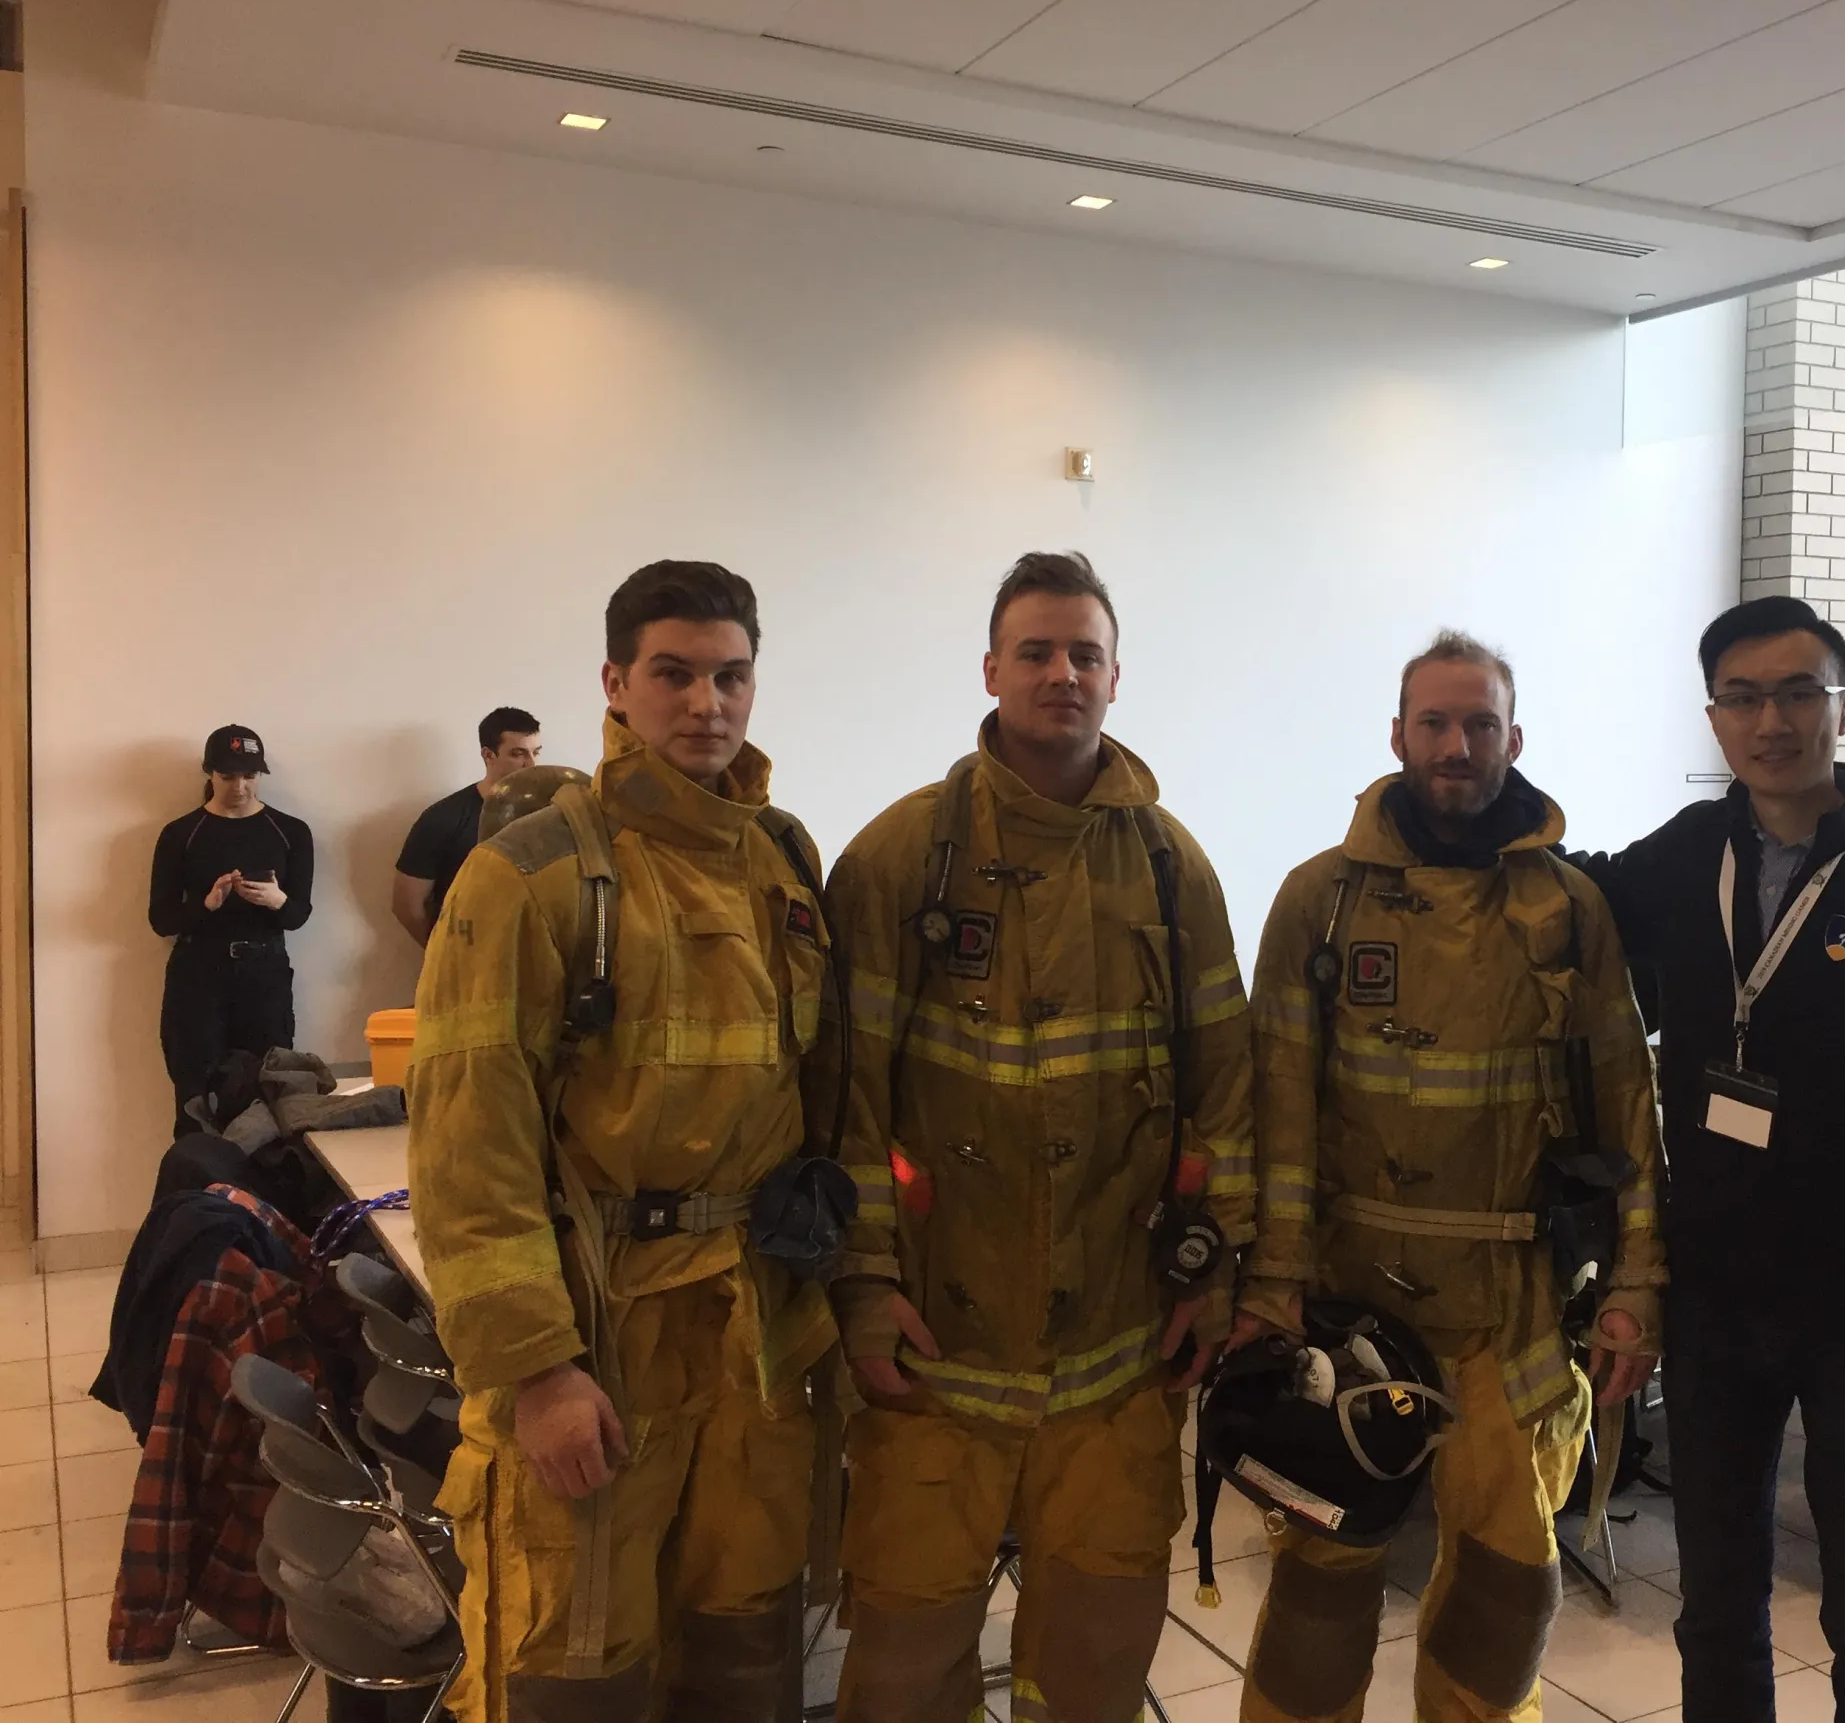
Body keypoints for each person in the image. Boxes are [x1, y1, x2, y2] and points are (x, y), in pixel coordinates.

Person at [825, 551, 1254, 1723]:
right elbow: (845, 1104)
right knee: (905, 1669)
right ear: (991, 670)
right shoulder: (901, 859)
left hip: (1118, 1358)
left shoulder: (1173, 870)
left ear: (1118, 678)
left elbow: (1226, 1093)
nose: (1061, 673)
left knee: (1100, 1667)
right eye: (1036, 651)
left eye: (1085, 654)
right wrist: (863, 1287)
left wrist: (1211, 1276)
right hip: (934, 1358)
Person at [409, 563, 838, 1722]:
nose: (706, 702)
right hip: (601, 1344)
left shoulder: (785, 861)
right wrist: (539, 1372)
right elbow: (466, 1145)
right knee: (576, 1669)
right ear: (615, 682)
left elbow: (821, 1101)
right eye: (674, 674)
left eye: (730, 675)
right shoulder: (530, 875)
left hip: (752, 1339)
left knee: (746, 1657)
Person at [1569, 595, 1845, 1723]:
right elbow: (1570, 891)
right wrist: (1471, 803)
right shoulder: (1689, 853)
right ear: (1714, 719)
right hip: (1718, 1294)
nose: (1772, 720)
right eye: (1744, 697)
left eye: (1799, 692)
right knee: (1715, 1596)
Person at [1236, 630, 1666, 1723]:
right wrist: (1271, 1283)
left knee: (1507, 1586)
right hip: (1352, 1298)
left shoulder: (1570, 911)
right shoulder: (1318, 902)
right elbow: (1278, 1108)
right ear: (1397, 735)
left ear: (1514, 740)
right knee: (1322, 1576)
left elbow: (1627, 1105)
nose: (1456, 743)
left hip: (1514, 1310)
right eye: (1434, 721)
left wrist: (1636, 1284)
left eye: (1480, 724)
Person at [147, 726, 314, 1118]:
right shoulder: (181, 834)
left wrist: (278, 901)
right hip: (198, 973)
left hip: (264, 971)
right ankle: (199, 1177)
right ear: (209, 774)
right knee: (195, 1096)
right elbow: (160, 919)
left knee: (268, 1092)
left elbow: (299, 915)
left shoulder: (290, 832)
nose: (239, 787)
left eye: (250, 776)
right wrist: (206, 905)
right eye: (227, 776)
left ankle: (261, 1180)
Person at [391, 706, 543, 945]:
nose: (531, 764)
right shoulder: (444, 818)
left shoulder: (548, 813)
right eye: (518, 754)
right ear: (488, 755)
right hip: (469, 952)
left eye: (536, 752)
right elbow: (406, 905)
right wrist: (446, 957)